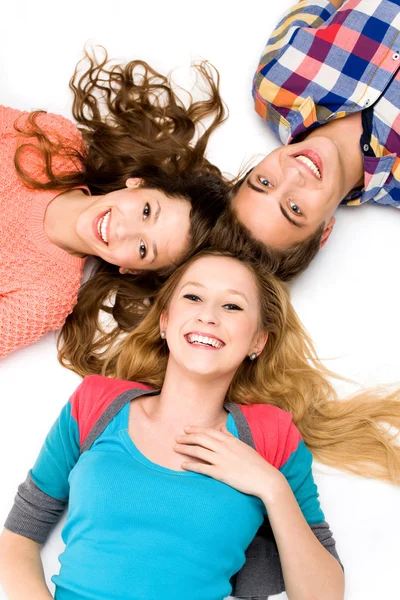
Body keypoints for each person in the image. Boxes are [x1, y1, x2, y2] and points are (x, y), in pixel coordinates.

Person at [0, 249, 346, 600]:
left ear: (258, 341)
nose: (208, 316)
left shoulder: (272, 436)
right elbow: (18, 536)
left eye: (232, 306)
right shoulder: (95, 403)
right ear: (165, 321)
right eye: (193, 297)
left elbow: (324, 595)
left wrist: (272, 488)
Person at [0, 47, 231, 358]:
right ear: (138, 182)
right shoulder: (56, 142)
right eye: (147, 211)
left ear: (130, 269)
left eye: (143, 249)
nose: (124, 229)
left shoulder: (45, 299)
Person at [232, 0, 400, 278]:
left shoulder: (274, 85)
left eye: (264, 182)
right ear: (324, 232)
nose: (293, 175)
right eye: (294, 208)